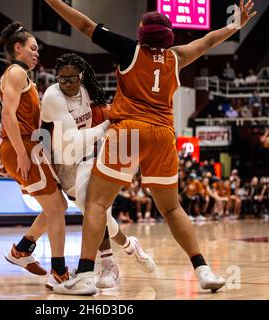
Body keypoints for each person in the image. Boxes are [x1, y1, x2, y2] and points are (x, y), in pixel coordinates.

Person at [44, 0, 256, 295]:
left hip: (129, 131)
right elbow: (208, 40)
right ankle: (203, 270)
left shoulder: (130, 49)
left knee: (96, 203)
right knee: (171, 207)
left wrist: (53, 2)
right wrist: (236, 25)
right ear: (168, 35)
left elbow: (84, 24)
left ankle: (84, 276)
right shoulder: (176, 56)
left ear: (142, 32)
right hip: (163, 135)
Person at [1, 53, 155, 290]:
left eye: (72, 79)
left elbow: (107, 111)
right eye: (62, 79)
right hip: (63, 161)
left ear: (81, 76)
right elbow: (72, 139)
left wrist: (121, 117)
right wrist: (105, 126)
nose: (67, 84)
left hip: (90, 156)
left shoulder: (89, 89)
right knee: (65, 208)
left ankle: (96, 266)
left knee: (89, 207)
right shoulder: (53, 95)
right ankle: (128, 247)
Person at [0, 21, 68, 281]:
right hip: (23, 146)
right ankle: (59, 272)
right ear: (18, 48)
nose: (37, 53)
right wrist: (20, 153)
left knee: (57, 205)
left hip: (26, 145)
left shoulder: (22, 75)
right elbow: (7, 114)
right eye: (33, 48)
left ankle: (23, 250)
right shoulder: (16, 72)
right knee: (57, 208)